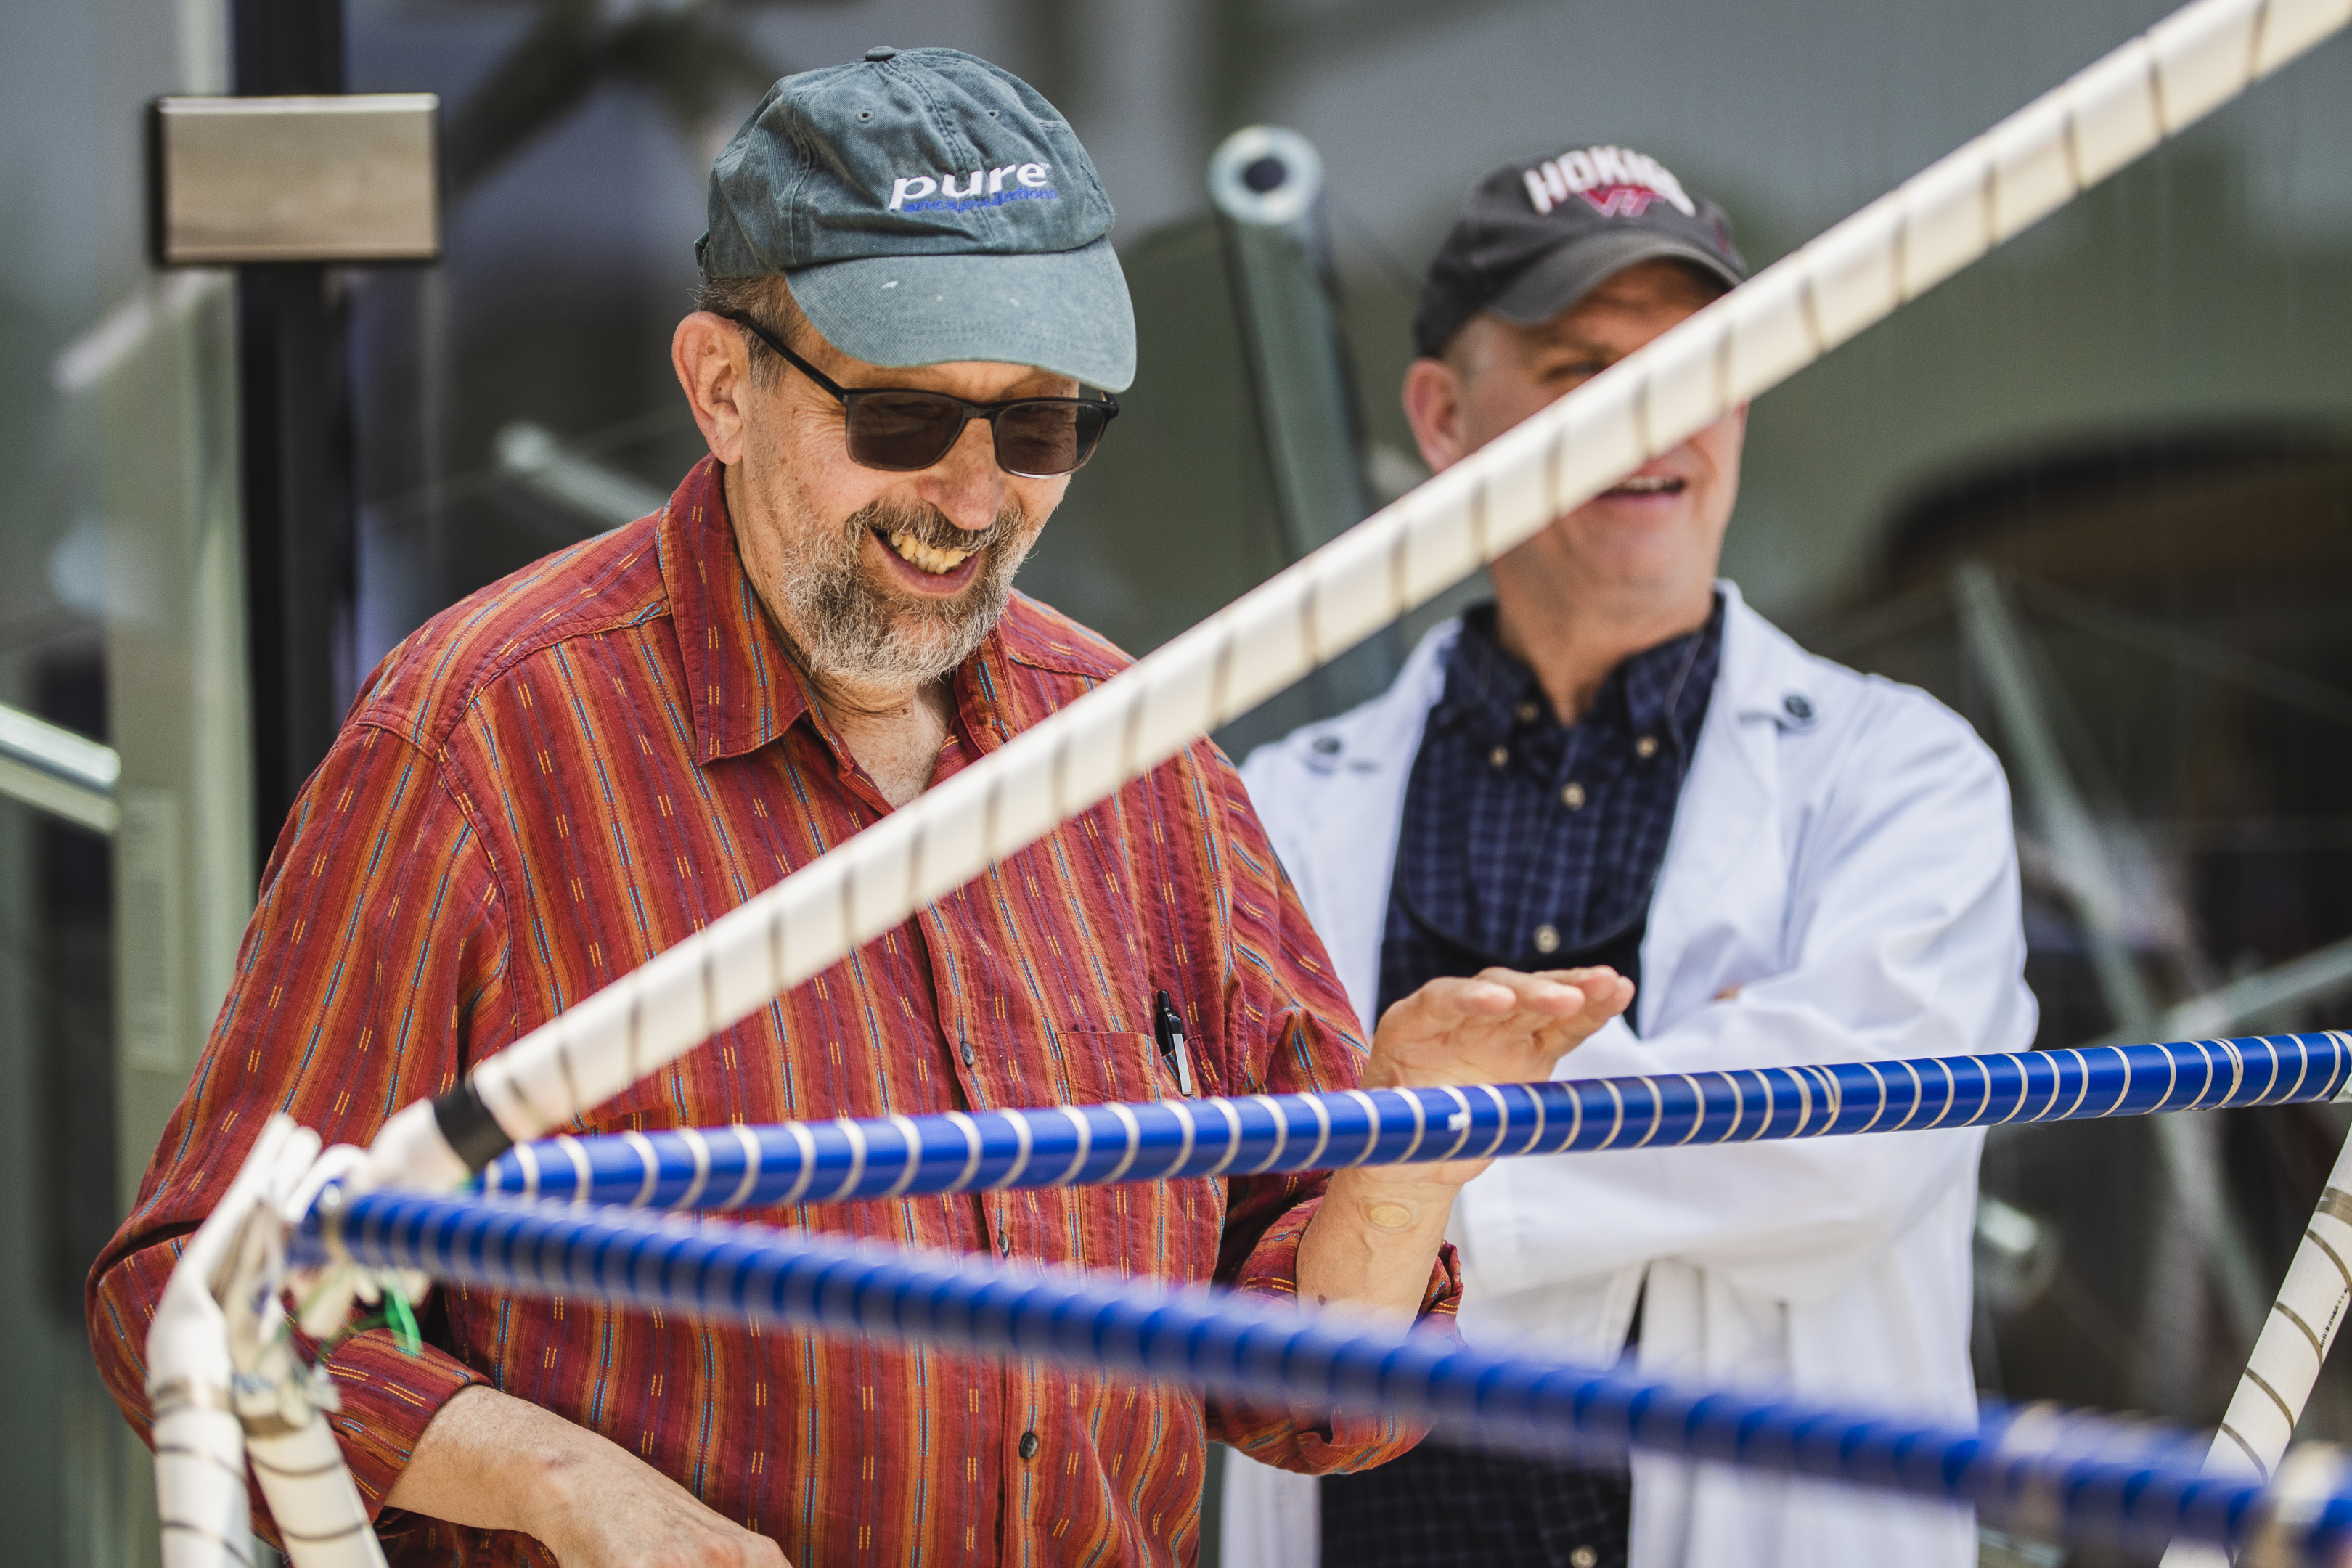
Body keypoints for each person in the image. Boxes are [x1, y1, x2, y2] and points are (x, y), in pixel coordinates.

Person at [87, 53, 1635, 1568]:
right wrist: (567, 1488)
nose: (970, 498)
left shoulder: (1140, 748)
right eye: (901, 418)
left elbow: (1303, 1387)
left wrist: (1413, 1156)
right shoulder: (486, 738)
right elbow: (196, 1293)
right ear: (720, 387)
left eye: (1040, 428)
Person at [1222, 144, 2037, 1568]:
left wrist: (1392, 1173)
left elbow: (1840, 1165)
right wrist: (1702, 1087)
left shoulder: (1909, 778)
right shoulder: (1273, 805)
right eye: (1576, 367)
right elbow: (1220, 1220)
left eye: (1696, 361)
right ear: (1442, 415)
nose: (1651, 416)